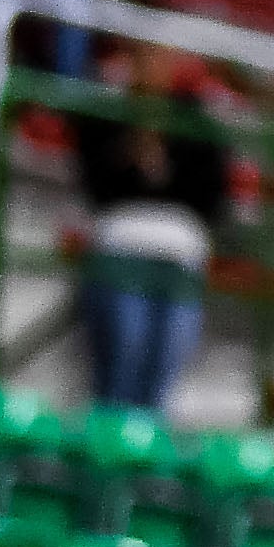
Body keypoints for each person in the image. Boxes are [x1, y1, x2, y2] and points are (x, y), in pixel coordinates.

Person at [69, 45, 233, 419]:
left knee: (160, 382)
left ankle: (143, 464)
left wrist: (165, 168)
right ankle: (107, 457)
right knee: (121, 370)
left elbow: (213, 194)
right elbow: (95, 183)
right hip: (120, 254)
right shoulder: (108, 117)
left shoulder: (195, 122)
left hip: (178, 260)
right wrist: (130, 156)